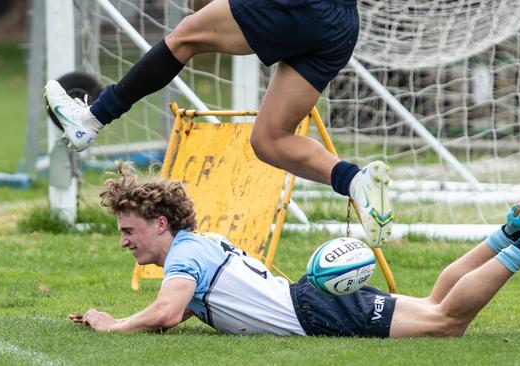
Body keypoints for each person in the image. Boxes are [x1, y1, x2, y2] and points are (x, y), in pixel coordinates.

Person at [69, 169, 520, 337]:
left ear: (159, 223)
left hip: (314, 313)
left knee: (447, 323)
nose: (123, 240)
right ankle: (511, 230)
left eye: (128, 229)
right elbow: (179, 313)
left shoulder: (185, 258)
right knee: (431, 301)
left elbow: (165, 311)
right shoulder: (195, 246)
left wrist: (111, 324)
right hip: (311, 301)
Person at [44, 0, 393, 247]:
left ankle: (91, 119)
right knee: (270, 139)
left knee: (185, 37)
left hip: (299, 6)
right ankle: (355, 182)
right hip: (341, 25)